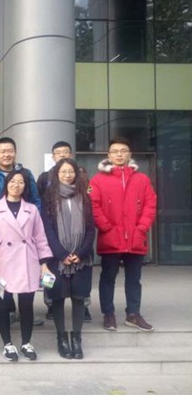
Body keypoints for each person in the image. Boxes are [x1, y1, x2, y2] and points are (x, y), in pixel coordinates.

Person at [0, 170, 53, 362]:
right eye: (12, 181)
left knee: (27, 305)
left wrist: (44, 264)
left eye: (21, 182)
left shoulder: (32, 209)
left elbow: (40, 237)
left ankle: (26, 342)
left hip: (27, 260)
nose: (16, 185)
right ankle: (7, 343)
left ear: (25, 186)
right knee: (5, 304)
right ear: (6, 184)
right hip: (3, 262)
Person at [88, 137, 157, 332]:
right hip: (110, 237)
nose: (119, 154)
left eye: (123, 151)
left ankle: (133, 314)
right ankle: (108, 314)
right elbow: (93, 205)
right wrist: (106, 227)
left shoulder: (142, 179)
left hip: (135, 238)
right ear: (109, 155)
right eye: (115, 151)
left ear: (130, 154)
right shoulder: (97, 180)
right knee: (107, 278)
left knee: (134, 279)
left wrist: (141, 228)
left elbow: (150, 204)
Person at [0, 137, 44, 327]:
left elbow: (36, 200)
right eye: (2, 151)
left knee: (24, 275)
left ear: (15, 152)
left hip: (23, 230)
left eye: (10, 151)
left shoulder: (26, 174)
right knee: (3, 276)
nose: (7, 154)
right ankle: (9, 311)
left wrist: (32, 223)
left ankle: (25, 312)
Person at [41, 159, 95, 359]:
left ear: (76, 174)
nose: (67, 175)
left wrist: (80, 253)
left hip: (82, 258)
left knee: (79, 298)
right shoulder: (48, 197)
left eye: (71, 171)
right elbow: (47, 230)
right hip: (57, 259)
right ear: (57, 174)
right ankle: (62, 339)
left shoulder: (85, 196)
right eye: (63, 171)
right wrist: (62, 254)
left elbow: (91, 229)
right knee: (58, 298)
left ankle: (77, 340)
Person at [37, 141, 92, 323]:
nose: (62, 155)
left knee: (80, 284)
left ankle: (83, 307)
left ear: (71, 154)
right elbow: (42, 209)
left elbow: (90, 222)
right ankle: (51, 305)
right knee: (53, 283)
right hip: (56, 242)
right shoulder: (45, 178)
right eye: (58, 152)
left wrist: (81, 251)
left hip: (78, 243)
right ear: (53, 157)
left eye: (66, 152)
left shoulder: (82, 179)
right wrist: (59, 252)